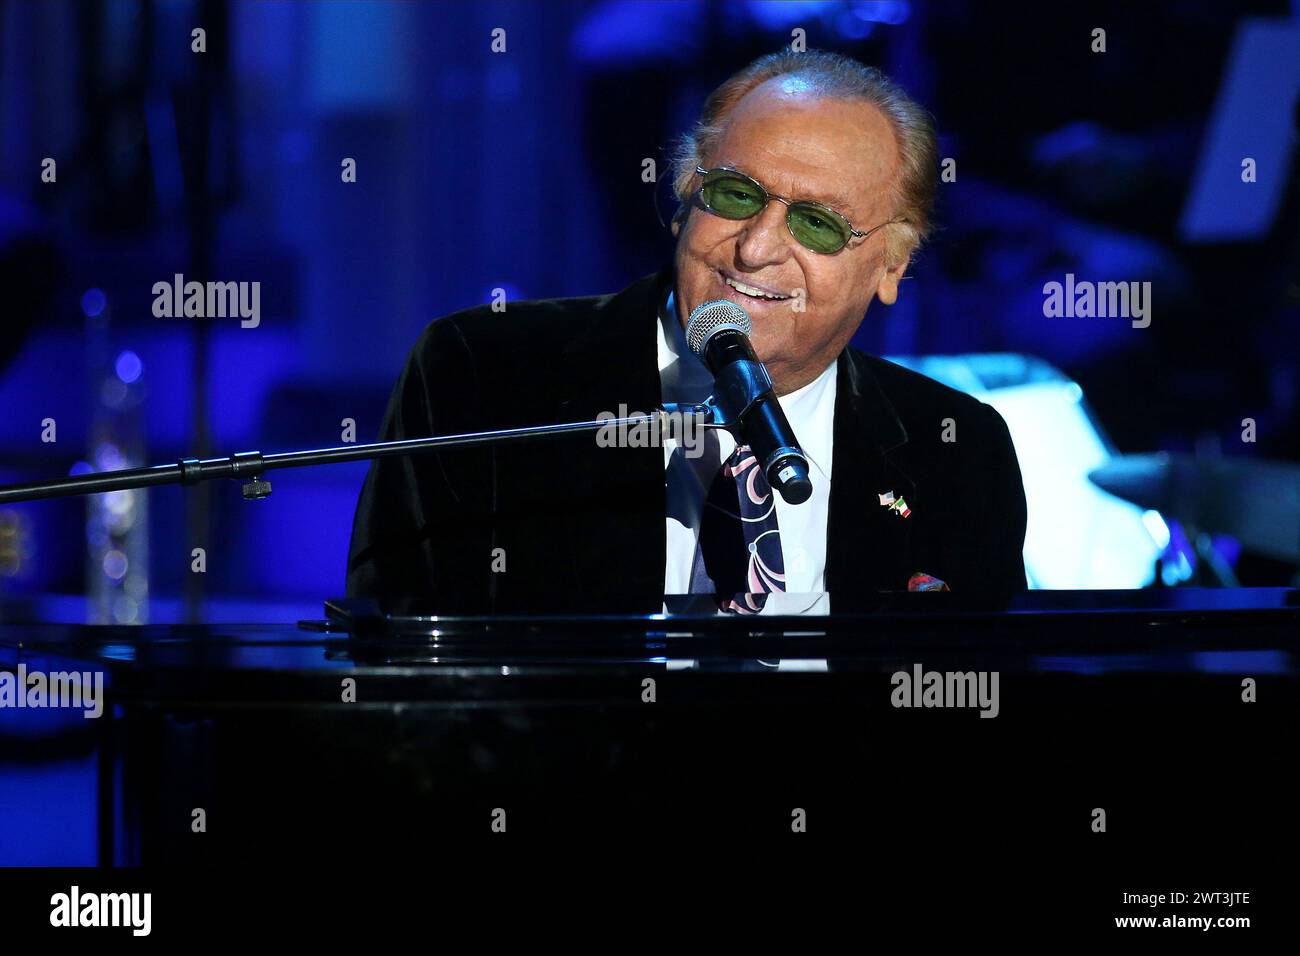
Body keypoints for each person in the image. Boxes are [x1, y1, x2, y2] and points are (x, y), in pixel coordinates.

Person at [346, 49, 1027, 613]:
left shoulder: (959, 451)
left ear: (890, 265)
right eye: (735, 195)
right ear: (684, 202)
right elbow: (403, 675)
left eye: (816, 223)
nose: (756, 249)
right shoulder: (481, 375)